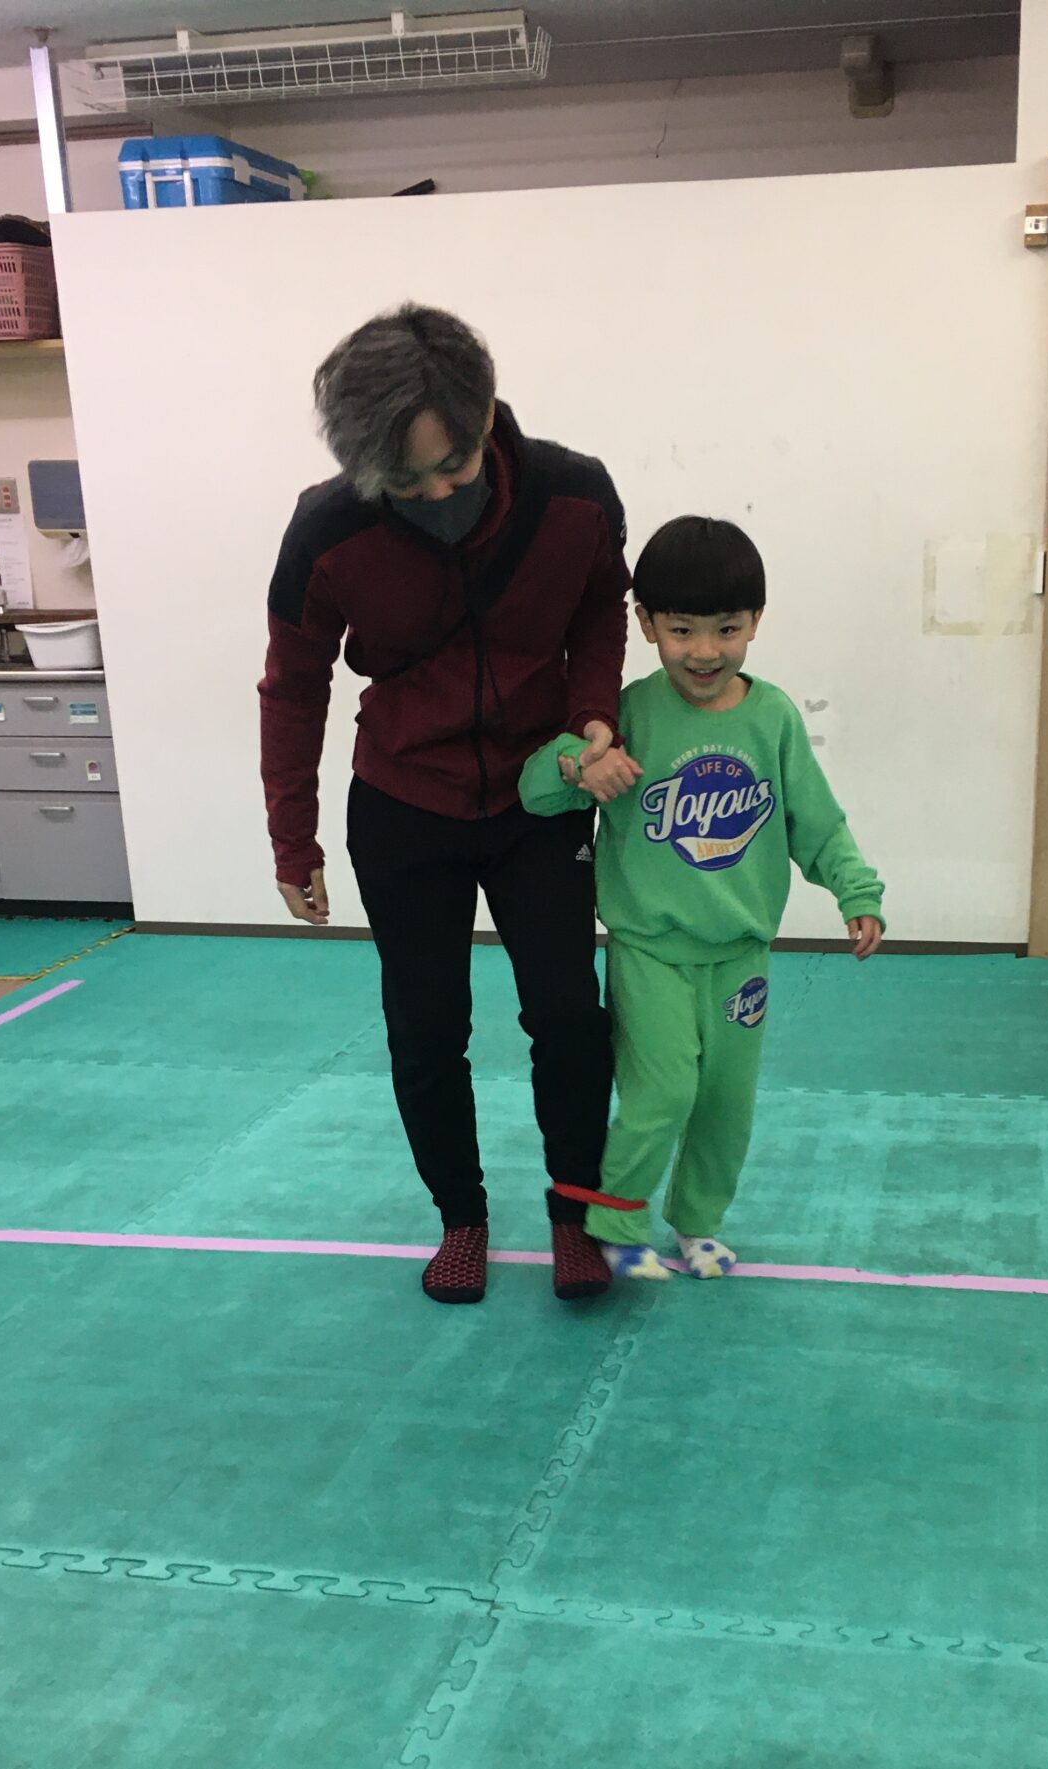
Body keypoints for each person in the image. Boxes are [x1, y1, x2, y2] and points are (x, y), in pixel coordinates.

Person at [259, 304, 641, 1305]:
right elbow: (294, 687)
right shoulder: (327, 530)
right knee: (426, 1027)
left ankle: (574, 1213)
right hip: (403, 802)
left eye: (453, 465)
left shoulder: (575, 495)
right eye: (403, 478)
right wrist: (292, 841)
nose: (434, 493)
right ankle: (461, 1219)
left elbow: (602, 604)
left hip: (539, 798)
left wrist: (595, 717)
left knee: (568, 1013)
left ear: (486, 419)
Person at [518, 516, 884, 1280]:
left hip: (741, 954)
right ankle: (618, 1223)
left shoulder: (773, 717)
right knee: (663, 1092)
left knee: (724, 1101)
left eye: (728, 629)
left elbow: (814, 821)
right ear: (647, 623)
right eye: (683, 630)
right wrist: (578, 766)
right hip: (650, 949)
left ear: (756, 621)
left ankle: (698, 1223)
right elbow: (535, 792)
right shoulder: (627, 715)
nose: (706, 651)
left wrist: (856, 890)